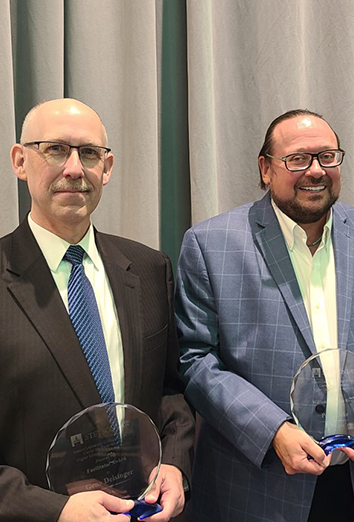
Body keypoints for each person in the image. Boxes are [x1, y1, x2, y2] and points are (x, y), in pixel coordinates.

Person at [175, 109, 354, 521]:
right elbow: (196, 361)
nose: (316, 171)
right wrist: (273, 431)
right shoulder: (211, 244)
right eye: (298, 159)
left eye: (328, 157)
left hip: (353, 479)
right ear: (265, 169)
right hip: (257, 481)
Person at [2, 98, 195, 522]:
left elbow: (171, 391)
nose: (74, 169)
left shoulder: (149, 269)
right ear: (20, 161)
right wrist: (55, 510)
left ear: (106, 168)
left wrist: (176, 464)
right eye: (55, 149)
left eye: (89, 153)